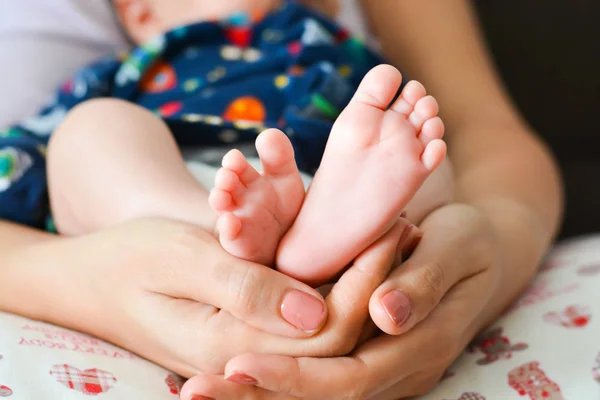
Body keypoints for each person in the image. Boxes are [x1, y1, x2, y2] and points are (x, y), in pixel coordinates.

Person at [0, 1, 562, 399]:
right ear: (144, 14)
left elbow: (479, 132)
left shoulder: (344, 56)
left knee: (426, 157)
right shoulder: (130, 69)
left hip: (321, 187)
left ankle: (318, 241)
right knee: (92, 129)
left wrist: (471, 228)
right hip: (174, 187)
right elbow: (27, 155)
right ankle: (222, 235)